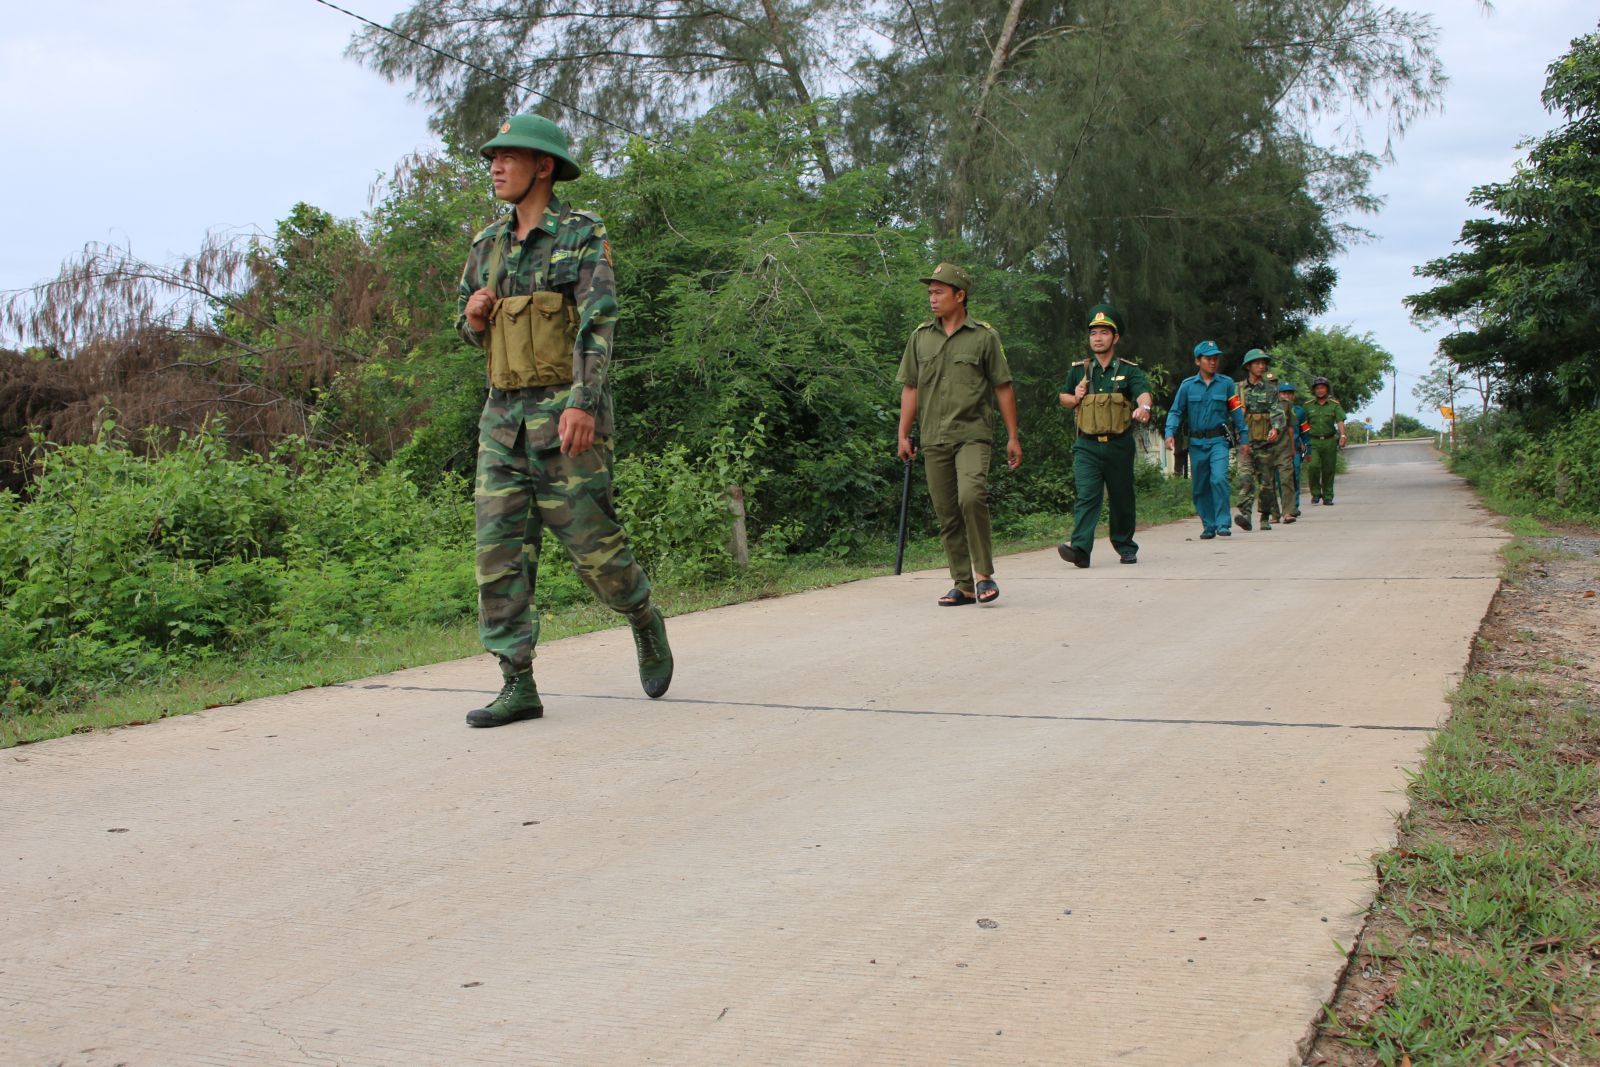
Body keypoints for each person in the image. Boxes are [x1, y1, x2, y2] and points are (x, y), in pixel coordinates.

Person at [456, 113, 672, 727]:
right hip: (501, 426)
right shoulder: (485, 248)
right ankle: (517, 682)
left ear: (543, 166)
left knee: (595, 553)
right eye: (492, 158)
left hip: (566, 419)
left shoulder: (580, 236)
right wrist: (473, 319)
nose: (495, 167)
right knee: (498, 556)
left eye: (509, 157)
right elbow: (474, 334)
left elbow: (598, 322)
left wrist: (583, 402)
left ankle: (641, 616)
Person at [896, 263, 1021, 606]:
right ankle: (963, 583)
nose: (932, 299)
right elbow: (910, 388)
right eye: (930, 293)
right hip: (934, 436)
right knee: (947, 511)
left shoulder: (984, 336)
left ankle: (983, 575)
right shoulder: (920, 337)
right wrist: (903, 434)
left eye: (939, 292)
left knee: (971, 496)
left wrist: (1013, 437)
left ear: (960, 295)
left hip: (973, 433)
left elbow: (1003, 387)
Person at [1056, 304, 1154, 567]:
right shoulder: (1079, 370)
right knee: (1087, 495)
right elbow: (1063, 397)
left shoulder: (1128, 370)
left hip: (1119, 444)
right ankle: (1080, 550)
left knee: (1122, 496)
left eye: (1103, 333)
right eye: (1093, 333)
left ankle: (1125, 546)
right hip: (1086, 445)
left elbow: (1142, 392)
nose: (1097, 338)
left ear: (1115, 337)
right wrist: (1074, 397)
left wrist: (1144, 407)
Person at [1164, 341, 1249, 539]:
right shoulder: (1187, 386)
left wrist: (1244, 437)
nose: (1213, 362)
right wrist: (1170, 433)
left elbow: (1236, 411)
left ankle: (1223, 523)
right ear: (1198, 361)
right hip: (1196, 443)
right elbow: (1176, 411)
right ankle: (1209, 525)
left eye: (1215, 358)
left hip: (1218, 440)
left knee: (1219, 479)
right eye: (1208, 358)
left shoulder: (1226, 384)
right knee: (1200, 486)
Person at [1232, 349, 1285, 531]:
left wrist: (1276, 428)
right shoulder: (1237, 389)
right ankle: (1245, 515)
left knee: (1266, 483)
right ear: (1248, 366)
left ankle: (1264, 516)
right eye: (1257, 363)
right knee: (1245, 479)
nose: (1261, 366)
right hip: (1245, 443)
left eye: (1263, 363)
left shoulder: (1270, 389)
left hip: (1265, 443)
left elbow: (1277, 412)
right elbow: (1228, 412)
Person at [1304, 376, 1347, 505]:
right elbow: (1303, 424)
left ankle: (1328, 496)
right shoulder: (1308, 406)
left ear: (1327, 389)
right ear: (1314, 390)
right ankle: (1316, 493)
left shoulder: (1334, 405)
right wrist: (1303, 441)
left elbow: (1340, 420)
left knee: (1329, 469)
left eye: (1322, 388)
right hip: (1313, 441)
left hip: (1329, 440)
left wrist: (1343, 435)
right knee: (1313, 467)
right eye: (1317, 388)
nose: (1320, 390)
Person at [1275, 381, 1310, 521]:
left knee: (1293, 475)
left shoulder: (1299, 411)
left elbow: (1305, 432)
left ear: (1293, 395)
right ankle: (1284, 506)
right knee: (1280, 478)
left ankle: (1293, 507)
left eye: (1289, 393)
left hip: (1293, 449)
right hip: (1277, 449)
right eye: (1284, 393)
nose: (1286, 396)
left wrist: (1308, 450)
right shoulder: (1274, 409)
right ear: (1279, 394)